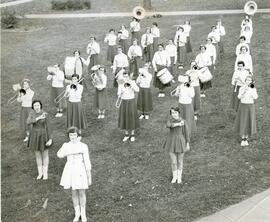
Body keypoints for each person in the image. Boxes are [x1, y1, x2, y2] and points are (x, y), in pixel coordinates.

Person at [57, 127, 92, 222]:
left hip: (80, 170)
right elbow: (59, 154)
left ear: (78, 135)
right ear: (68, 136)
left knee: (81, 193)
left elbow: (87, 161)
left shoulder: (83, 146)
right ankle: (77, 214)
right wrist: (66, 149)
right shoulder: (66, 145)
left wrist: (89, 176)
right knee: (74, 193)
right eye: (71, 135)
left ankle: (83, 214)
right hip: (70, 171)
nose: (73, 137)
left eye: (75, 135)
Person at [163, 107, 190, 184]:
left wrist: (187, 143)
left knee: (179, 161)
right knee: (174, 162)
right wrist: (178, 124)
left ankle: (179, 177)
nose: (174, 114)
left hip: (181, 142)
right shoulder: (170, 120)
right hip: (171, 142)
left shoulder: (183, 121)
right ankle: (174, 177)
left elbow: (186, 133)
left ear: (178, 113)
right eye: (172, 113)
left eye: (175, 113)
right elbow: (168, 125)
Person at [27, 100, 52, 180]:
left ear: (40, 106)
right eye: (35, 106)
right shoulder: (32, 114)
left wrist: (50, 139)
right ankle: (40, 173)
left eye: (38, 105)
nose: (37, 107)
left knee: (45, 154)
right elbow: (28, 122)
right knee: (37, 154)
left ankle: (45, 174)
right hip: (35, 136)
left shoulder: (45, 114)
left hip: (44, 136)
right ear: (33, 107)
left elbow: (49, 127)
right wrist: (38, 118)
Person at [235, 75, 258, 146]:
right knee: (243, 121)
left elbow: (255, 97)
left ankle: (246, 138)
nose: (248, 81)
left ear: (251, 81)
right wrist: (243, 91)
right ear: (245, 81)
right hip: (243, 106)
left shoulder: (253, 88)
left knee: (248, 121)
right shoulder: (242, 88)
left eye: (249, 80)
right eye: (247, 80)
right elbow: (239, 97)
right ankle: (243, 138)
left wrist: (251, 91)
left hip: (250, 106)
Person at [117, 71, 140, 142]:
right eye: (124, 76)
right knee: (125, 117)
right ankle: (126, 134)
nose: (125, 78)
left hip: (131, 101)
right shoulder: (121, 82)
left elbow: (137, 90)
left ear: (129, 76)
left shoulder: (132, 81)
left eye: (127, 76)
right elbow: (118, 93)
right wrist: (121, 92)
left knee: (131, 116)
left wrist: (131, 84)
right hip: (124, 101)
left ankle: (132, 134)